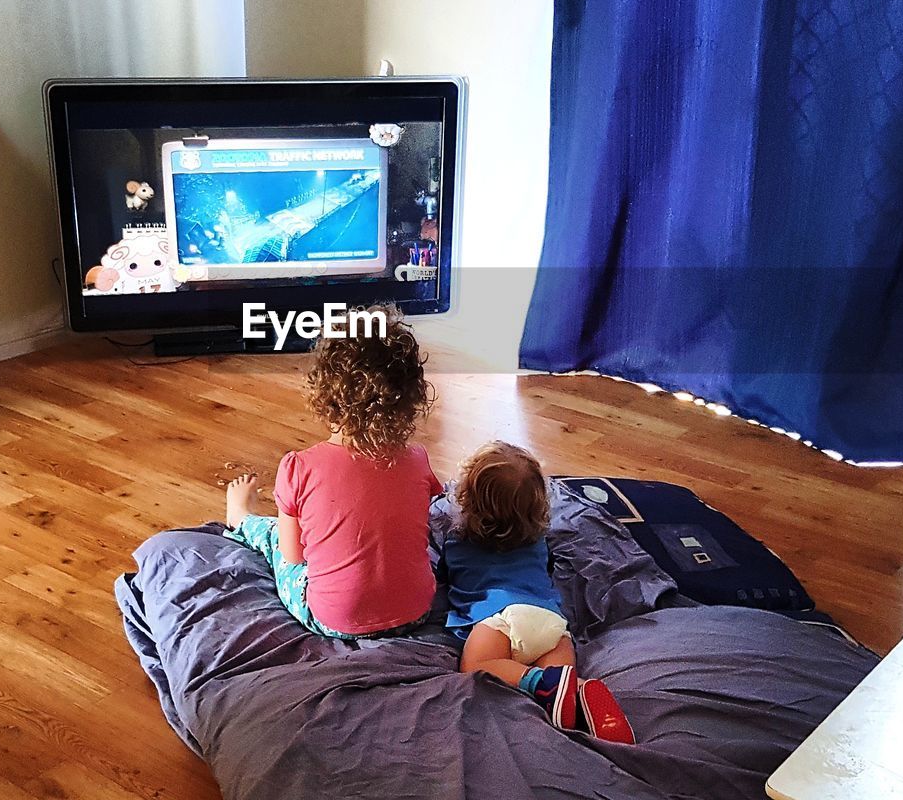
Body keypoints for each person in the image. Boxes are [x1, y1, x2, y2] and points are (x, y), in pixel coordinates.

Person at [225, 305, 441, 639]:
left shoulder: (299, 467)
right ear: (410, 394)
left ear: (324, 394)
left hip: (332, 620)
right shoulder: (417, 458)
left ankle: (240, 517)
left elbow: (294, 556)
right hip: (416, 612)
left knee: (274, 538)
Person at [440, 441, 635, 743]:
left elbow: (447, 577)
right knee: (564, 683)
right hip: (550, 622)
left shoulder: (456, 543)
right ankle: (583, 693)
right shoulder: (538, 542)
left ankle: (536, 681)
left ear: (468, 501)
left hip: (499, 620)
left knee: (476, 667)